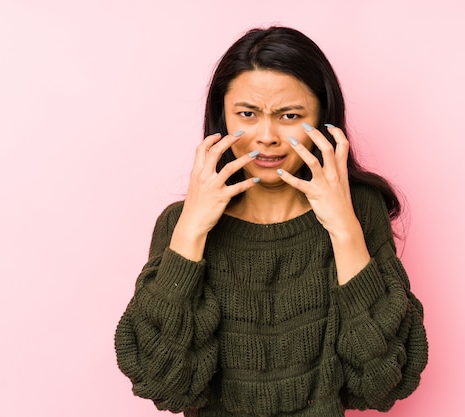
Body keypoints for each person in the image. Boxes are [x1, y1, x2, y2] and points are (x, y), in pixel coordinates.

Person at [114, 26, 428, 417]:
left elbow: (383, 384)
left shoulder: (358, 210)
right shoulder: (179, 224)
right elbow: (164, 384)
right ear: (222, 117)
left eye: (290, 115)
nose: (266, 136)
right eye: (247, 114)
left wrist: (343, 228)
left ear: (324, 119)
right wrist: (192, 229)